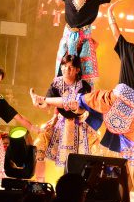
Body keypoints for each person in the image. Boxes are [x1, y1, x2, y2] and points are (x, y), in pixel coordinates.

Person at [31, 1, 134, 169]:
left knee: (78, 99)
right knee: (128, 151)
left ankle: (43, 100)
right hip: (133, 113)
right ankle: (123, 181)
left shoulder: (131, 50)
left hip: (114, 99)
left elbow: (115, 33)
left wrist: (110, 14)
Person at [12, 0, 134, 85]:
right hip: (68, 35)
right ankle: (60, 92)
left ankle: (83, 94)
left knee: (84, 72)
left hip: (84, 38)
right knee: (63, 67)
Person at [33, 54, 98, 182]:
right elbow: (47, 104)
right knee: (39, 144)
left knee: (92, 152)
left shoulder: (83, 86)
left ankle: (84, 185)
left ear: (77, 70)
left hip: (80, 124)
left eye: (70, 67)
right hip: (60, 123)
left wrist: (45, 101)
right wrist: (39, 103)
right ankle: (40, 183)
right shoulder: (56, 83)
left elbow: (84, 107)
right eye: (64, 66)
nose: (66, 70)